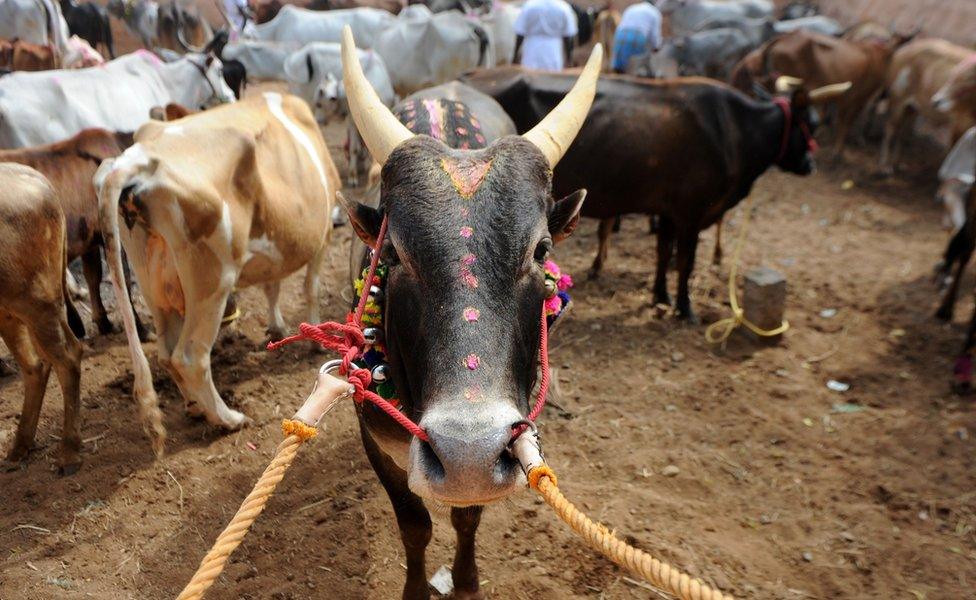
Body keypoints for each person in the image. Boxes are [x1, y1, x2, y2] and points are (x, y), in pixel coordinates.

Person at [513, 0, 578, 72]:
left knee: (530, 76)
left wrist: (515, 55)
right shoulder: (563, 7)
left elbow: (520, 33)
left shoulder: (529, 6)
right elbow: (568, 36)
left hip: (532, 48)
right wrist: (569, 58)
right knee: (552, 77)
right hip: (553, 49)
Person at [937, 126, 976, 234]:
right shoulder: (972, 133)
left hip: (960, 176)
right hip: (961, 175)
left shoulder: (972, 132)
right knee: (950, 191)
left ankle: (962, 231)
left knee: (949, 192)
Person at [612, 0, 663, 74]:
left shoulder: (632, 8)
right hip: (637, 36)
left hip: (620, 34)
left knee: (619, 67)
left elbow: (621, 23)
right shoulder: (655, 12)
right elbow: (655, 35)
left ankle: (616, 82)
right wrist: (656, 47)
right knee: (635, 67)